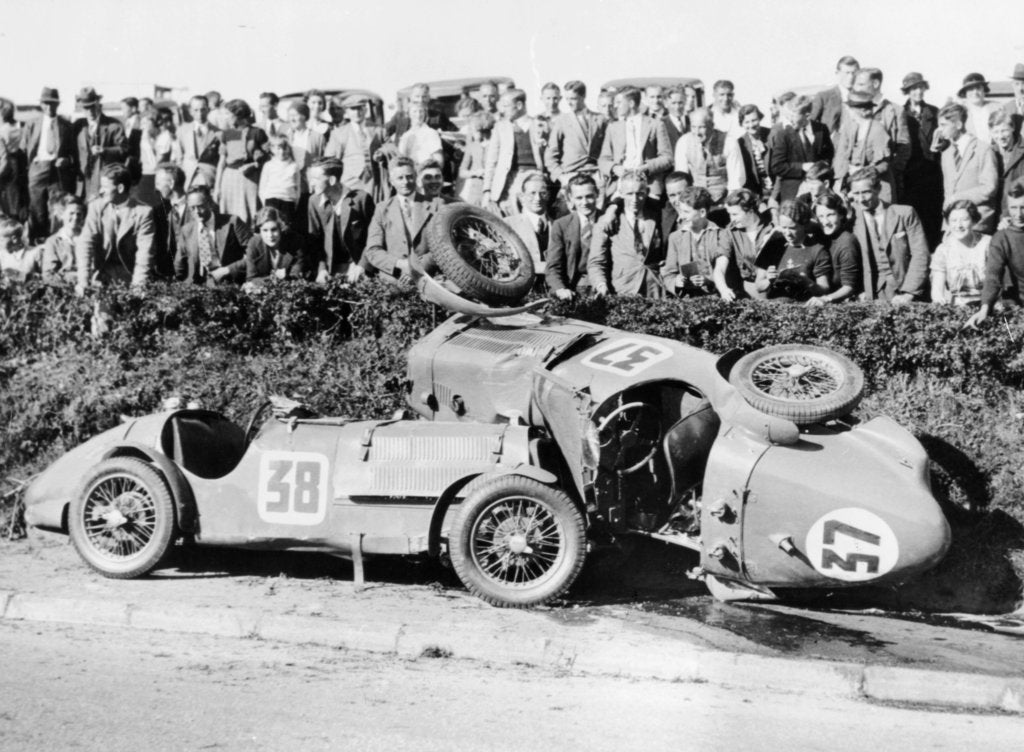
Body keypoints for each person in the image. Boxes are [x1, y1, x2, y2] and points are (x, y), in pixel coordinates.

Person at [847, 166, 930, 304]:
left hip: (905, 291)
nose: (860, 199)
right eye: (856, 193)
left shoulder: (904, 213)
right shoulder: (852, 221)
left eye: (866, 192)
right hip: (872, 295)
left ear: (878, 188)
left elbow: (921, 254)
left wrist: (909, 293)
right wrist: (859, 291)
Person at [363, 157, 445, 282]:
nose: (405, 182)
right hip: (394, 280)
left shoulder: (436, 205)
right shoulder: (382, 209)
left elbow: (443, 246)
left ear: (416, 177)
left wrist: (417, 268)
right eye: (400, 178)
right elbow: (373, 250)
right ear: (391, 181)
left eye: (409, 176)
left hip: (430, 278)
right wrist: (401, 264)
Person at [75, 163, 154, 291]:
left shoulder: (143, 212)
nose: (100, 191)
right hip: (102, 277)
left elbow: (145, 253)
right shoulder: (96, 207)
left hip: (131, 277)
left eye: (105, 187)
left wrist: (138, 286)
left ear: (120, 188)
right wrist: (83, 280)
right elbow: (85, 243)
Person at [588, 170, 665, 297]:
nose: (635, 199)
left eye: (640, 193)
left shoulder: (657, 215)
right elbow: (596, 262)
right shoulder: (607, 221)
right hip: (623, 288)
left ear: (646, 193)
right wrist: (601, 284)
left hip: (654, 289)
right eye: (629, 194)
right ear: (621, 194)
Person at [661, 186, 740, 299]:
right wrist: (676, 282)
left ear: (702, 212)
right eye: (681, 211)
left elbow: (728, 272)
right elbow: (669, 273)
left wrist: (708, 280)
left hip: (717, 299)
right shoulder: (676, 237)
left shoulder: (721, 235)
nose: (681, 216)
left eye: (686, 212)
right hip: (687, 303)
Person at [598, 87, 673, 201]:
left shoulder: (655, 125)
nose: (615, 106)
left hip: (649, 186)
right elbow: (603, 160)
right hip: (620, 186)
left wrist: (646, 167)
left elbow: (667, 158)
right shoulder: (613, 128)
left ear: (631, 103)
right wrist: (615, 168)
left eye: (619, 102)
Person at [305, 157, 373, 283]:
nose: (311, 183)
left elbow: (374, 238)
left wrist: (363, 265)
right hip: (331, 270)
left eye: (316, 178)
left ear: (332, 180)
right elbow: (315, 241)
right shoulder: (314, 202)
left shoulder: (361, 199)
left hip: (358, 266)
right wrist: (321, 269)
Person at [22, 87, 77, 242]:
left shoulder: (66, 125)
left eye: (52, 103)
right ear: (41, 105)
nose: (49, 107)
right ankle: (37, 241)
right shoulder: (32, 124)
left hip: (58, 170)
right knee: (37, 207)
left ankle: (58, 242)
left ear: (57, 105)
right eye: (45, 103)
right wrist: (30, 166)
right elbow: (23, 148)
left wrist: (67, 161)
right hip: (38, 168)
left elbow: (74, 152)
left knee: (57, 207)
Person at [967, 184, 1024, 327]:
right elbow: (993, 275)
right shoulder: (1001, 238)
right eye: (1013, 208)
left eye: (1023, 207)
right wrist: (984, 308)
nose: (1018, 214)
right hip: (1018, 304)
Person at [936, 103, 999, 234]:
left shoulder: (983, 150)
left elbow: (990, 187)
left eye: (943, 125)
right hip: (953, 225)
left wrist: (958, 198)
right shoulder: (946, 154)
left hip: (978, 222)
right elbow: (948, 192)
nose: (939, 130)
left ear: (958, 125)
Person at [482, 89, 546, 214]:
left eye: (506, 106)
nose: (503, 110)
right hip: (508, 180)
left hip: (534, 177)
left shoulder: (538, 124)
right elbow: (491, 162)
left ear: (519, 105)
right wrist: (487, 190)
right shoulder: (501, 127)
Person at [174, 184, 252, 285]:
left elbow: (254, 253)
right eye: (192, 208)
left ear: (210, 203)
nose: (197, 212)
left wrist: (228, 269)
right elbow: (179, 263)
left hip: (229, 282)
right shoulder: (187, 230)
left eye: (200, 206)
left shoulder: (232, 223)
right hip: (199, 284)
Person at [850, 68, 911, 198]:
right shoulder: (852, 109)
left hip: (883, 181)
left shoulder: (894, 110)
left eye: (861, 84)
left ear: (876, 84)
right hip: (856, 183)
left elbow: (904, 147)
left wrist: (890, 171)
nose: (856, 88)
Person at [756, 199, 831, 302]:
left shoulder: (817, 250)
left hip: (802, 308)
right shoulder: (773, 245)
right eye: (784, 227)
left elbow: (824, 289)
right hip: (774, 306)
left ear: (804, 225)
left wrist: (806, 282)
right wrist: (769, 280)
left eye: (792, 228)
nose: (787, 233)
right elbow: (759, 287)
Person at [901, 72, 943, 247]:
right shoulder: (900, 113)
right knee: (914, 216)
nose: (918, 92)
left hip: (932, 172)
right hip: (910, 175)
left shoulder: (934, 111)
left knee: (932, 215)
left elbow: (944, 136)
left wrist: (939, 145)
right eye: (913, 88)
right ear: (907, 91)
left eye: (920, 87)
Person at [544, 80, 607, 197]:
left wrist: (604, 173)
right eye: (567, 99)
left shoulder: (600, 119)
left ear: (583, 96)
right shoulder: (562, 120)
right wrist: (561, 176)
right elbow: (550, 155)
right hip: (571, 174)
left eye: (573, 99)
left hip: (596, 174)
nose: (569, 103)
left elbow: (608, 150)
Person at [768, 95, 834, 203]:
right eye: (789, 115)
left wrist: (820, 168)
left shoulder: (821, 129)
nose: (789, 119)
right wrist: (802, 166)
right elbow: (777, 166)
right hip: (793, 193)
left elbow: (828, 156)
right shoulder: (783, 135)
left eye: (794, 115)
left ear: (807, 116)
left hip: (818, 191)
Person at [832, 90, 896, 201]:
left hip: (876, 188)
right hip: (854, 187)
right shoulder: (849, 127)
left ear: (861, 110)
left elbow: (884, 165)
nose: (848, 111)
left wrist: (862, 171)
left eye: (850, 108)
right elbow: (840, 156)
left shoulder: (877, 130)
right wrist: (839, 183)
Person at [674, 108, 745, 205]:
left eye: (702, 127)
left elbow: (736, 180)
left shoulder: (729, 142)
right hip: (695, 202)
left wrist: (729, 203)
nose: (697, 132)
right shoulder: (684, 142)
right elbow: (682, 177)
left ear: (712, 125)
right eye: (693, 127)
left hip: (723, 201)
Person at [214, 99, 268, 224]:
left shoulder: (257, 133)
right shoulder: (227, 134)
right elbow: (221, 162)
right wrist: (217, 188)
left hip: (250, 178)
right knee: (229, 216)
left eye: (227, 114)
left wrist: (255, 165)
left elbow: (268, 158)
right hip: (229, 178)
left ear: (237, 114)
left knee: (251, 214)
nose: (225, 117)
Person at [546, 173, 600, 298]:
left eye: (589, 196)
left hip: (604, 287)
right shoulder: (561, 225)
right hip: (573, 287)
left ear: (597, 194)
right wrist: (560, 289)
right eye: (579, 198)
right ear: (570, 199)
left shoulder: (608, 220)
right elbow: (553, 265)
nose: (585, 202)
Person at [723, 188, 785, 299]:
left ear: (751, 211)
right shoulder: (731, 232)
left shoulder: (771, 228)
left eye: (735, 214)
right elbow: (722, 264)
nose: (732, 219)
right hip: (748, 289)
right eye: (730, 214)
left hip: (776, 288)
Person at [324, 94, 386, 199]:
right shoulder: (339, 134)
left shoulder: (378, 130)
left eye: (360, 108)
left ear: (366, 110)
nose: (357, 112)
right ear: (347, 112)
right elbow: (329, 161)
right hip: (349, 184)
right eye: (353, 109)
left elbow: (390, 149)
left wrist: (383, 153)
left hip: (374, 184)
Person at [931, 200, 990, 306]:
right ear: (948, 223)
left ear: (973, 221)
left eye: (964, 220)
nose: (959, 225)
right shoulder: (943, 250)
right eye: (954, 220)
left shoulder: (987, 244)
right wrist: (939, 299)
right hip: (957, 306)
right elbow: (937, 290)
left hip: (987, 305)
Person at [73, 87, 127, 200]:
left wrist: (105, 150)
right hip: (82, 183)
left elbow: (124, 150)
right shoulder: (77, 126)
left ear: (98, 104)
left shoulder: (114, 125)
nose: (90, 111)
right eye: (86, 108)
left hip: (102, 181)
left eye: (92, 106)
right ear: (82, 108)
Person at [808, 192, 861, 305]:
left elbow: (849, 286)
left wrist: (825, 299)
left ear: (841, 214)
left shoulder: (846, 241)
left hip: (841, 302)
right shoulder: (819, 236)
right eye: (821, 216)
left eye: (830, 215)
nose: (825, 222)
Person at [504, 171, 554, 279]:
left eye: (543, 193)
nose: (538, 198)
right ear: (522, 197)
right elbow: (504, 262)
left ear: (549, 196)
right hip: (520, 287)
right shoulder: (508, 224)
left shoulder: (558, 225)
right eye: (532, 193)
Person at [244, 206, 308, 283]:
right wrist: (275, 277)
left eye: (274, 229)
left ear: (281, 228)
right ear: (259, 231)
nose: (270, 235)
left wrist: (286, 276)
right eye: (265, 230)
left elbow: (297, 276)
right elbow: (251, 279)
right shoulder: (254, 243)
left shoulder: (295, 241)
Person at [151, 162, 188, 279]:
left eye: (158, 183)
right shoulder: (157, 211)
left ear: (171, 183)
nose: (156, 188)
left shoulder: (196, 207)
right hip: (167, 275)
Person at [136, 111, 180, 206]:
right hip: (149, 176)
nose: (142, 127)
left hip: (158, 176)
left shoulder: (164, 137)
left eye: (145, 123)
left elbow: (155, 164)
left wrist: (146, 139)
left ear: (154, 123)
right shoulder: (151, 138)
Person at [177, 95, 220, 190]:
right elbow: (179, 157)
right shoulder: (182, 130)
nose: (200, 114)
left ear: (208, 109)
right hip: (188, 177)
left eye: (203, 109)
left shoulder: (217, 132)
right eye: (196, 110)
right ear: (190, 111)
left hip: (209, 178)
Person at [810, 55, 860, 136]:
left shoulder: (863, 99)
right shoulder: (824, 97)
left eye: (854, 73)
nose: (851, 77)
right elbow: (810, 124)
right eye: (847, 73)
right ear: (837, 73)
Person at [41, 194, 85, 283]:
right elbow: (48, 274)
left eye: (79, 214)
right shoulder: (53, 241)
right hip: (63, 286)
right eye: (71, 213)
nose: (75, 217)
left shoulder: (88, 237)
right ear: (62, 215)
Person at [257, 134, 300, 224]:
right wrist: (265, 203)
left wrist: (295, 202)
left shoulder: (294, 166)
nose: (282, 151)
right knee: (272, 224)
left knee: (286, 227)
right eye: (279, 148)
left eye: (285, 148)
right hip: (271, 200)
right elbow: (262, 188)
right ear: (272, 149)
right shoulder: (268, 165)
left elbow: (298, 188)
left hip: (288, 201)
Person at [990, 109, 1024, 217]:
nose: (1000, 136)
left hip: (1017, 213)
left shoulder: (1022, 152)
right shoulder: (989, 152)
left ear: (1012, 128)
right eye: (996, 132)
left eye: (1004, 130)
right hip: (994, 213)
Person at [457, 111, 493, 205]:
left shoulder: (494, 145)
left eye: (474, 130)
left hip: (493, 187)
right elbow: (462, 172)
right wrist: (475, 173)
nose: (472, 132)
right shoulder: (472, 146)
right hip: (475, 189)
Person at [0, 99, 27, 222]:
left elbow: (4, 158)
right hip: (22, 164)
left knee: (9, 204)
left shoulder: (2, 130)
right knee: (20, 202)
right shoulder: (22, 125)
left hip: (8, 166)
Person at [736, 104, 771, 198]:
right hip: (756, 190)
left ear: (760, 118)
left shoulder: (771, 135)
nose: (751, 125)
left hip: (774, 186)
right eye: (746, 122)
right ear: (742, 124)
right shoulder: (740, 143)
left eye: (754, 120)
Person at [958, 73, 1000, 144]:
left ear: (984, 90)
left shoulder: (997, 107)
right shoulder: (961, 113)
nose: (975, 92)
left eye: (978, 88)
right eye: (971, 89)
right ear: (965, 93)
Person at [397, 104, 444, 168]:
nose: (418, 115)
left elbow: (439, 160)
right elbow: (401, 158)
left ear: (425, 114)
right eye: (415, 111)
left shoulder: (431, 132)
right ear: (409, 114)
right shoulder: (406, 136)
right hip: (410, 172)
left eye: (421, 111)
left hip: (427, 171)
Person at [0, 219, 41, 284]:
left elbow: (44, 276)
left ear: (14, 239)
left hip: (30, 291)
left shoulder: (34, 252)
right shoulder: (2, 254)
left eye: (1, 240)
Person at [662, 85, 690, 152]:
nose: (677, 107)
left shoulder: (692, 120)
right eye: (673, 103)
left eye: (680, 103)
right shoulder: (661, 123)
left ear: (685, 102)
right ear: (666, 104)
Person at [1002, 64, 1024, 131]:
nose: (1021, 88)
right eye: (1017, 84)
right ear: (1012, 85)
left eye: (1023, 84)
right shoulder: (1006, 107)